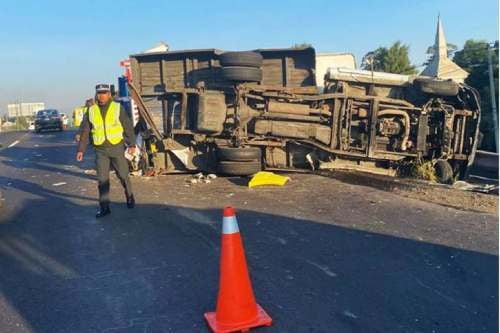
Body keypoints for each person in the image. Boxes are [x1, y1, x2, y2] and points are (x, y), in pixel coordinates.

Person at [76, 84, 136, 218]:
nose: (101, 95)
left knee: (123, 175)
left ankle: (129, 196)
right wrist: (81, 150)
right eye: (99, 93)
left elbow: (127, 127)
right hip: (100, 150)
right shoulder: (91, 110)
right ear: (96, 95)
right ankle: (104, 208)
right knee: (102, 180)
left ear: (109, 94)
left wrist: (132, 144)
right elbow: (85, 131)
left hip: (116, 148)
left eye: (104, 93)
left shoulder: (117, 108)